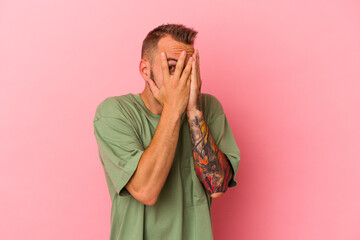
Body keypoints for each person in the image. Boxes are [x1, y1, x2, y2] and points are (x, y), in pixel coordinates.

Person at [93, 23, 241, 240]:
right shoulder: (114, 112)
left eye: (188, 67)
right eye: (172, 67)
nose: (182, 76)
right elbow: (146, 190)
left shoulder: (208, 108)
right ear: (145, 70)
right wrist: (173, 108)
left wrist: (193, 110)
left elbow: (217, 187)